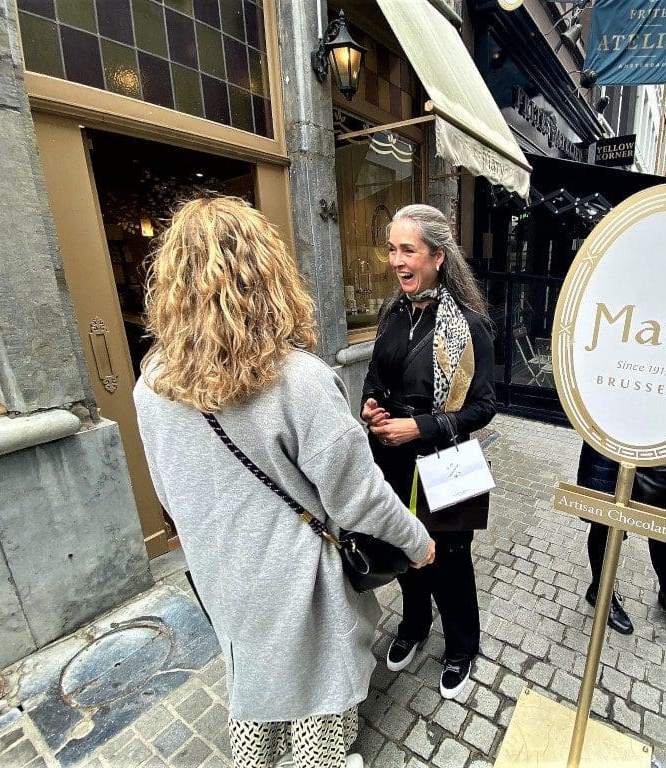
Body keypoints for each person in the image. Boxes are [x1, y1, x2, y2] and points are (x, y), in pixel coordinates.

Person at [133, 197, 435, 768]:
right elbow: (358, 494)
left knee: (251, 685)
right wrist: (417, 542)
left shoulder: (151, 386)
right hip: (300, 582)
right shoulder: (298, 381)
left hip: (222, 578)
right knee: (318, 704)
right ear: (268, 275)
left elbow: (169, 496)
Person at [361, 203, 496, 700]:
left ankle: (461, 647)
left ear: (437, 255)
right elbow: (374, 378)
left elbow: (483, 407)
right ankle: (415, 626)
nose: (397, 261)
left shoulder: (470, 325)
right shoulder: (391, 314)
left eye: (408, 250)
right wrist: (370, 409)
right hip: (392, 461)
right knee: (404, 549)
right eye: (392, 249)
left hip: (446, 460)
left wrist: (417, 427)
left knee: (450, 561)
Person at [578, 444, 666, 639]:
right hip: (610, 441)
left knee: (664, 523)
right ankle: (600, 592)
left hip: (661, 440)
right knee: (605, 520)